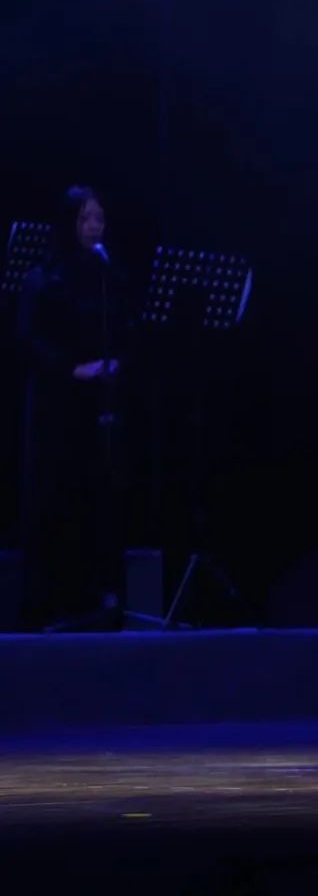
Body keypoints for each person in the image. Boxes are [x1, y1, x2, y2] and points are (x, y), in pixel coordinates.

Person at [17, 185, 132, 630]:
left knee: (93, 499)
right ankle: (44, 609)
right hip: (54, 405)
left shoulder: (105, 276)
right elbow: (27, 341)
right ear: (69, 223)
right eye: (85, 219)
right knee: (52, 498)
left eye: (99, 218)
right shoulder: (42, 279)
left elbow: (121, 328)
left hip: (94, 406)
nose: (94, 227)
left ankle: (92, 603)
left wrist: (116, 362)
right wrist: (71, 369)